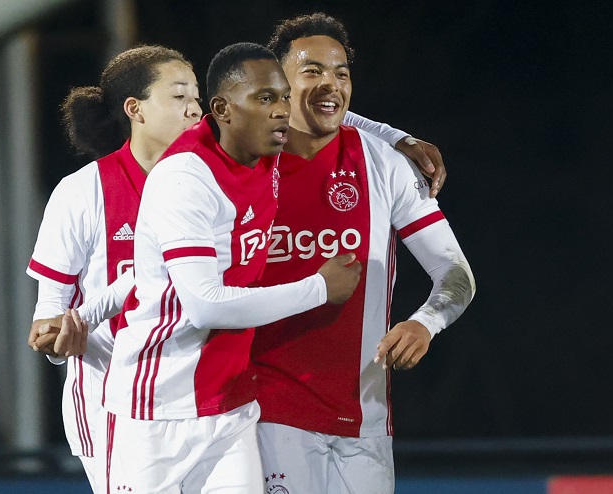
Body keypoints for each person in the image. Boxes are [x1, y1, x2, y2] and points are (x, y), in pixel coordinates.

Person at [99, 42, 363, 493]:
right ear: (222, 109)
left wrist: (401, 138)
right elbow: (206, 306)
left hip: (231, 404)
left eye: (284, 97)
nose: (282, 110)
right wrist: (319, 289)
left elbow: (326, 112)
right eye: (266, 99)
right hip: (159, 408)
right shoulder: (186, 177)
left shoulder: (266, 151)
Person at [250, 13, 476, 494]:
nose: (330, 83)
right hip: (268, 409)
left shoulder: (385, 164)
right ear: (278, 82)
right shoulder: (240, 161)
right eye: (312, 70)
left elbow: (456, 273)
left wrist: (424, 323)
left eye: (341, 73)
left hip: (365, 418)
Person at [24, 44, 202, 493]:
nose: (195, 110)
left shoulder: (219, 184)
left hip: (206, 401)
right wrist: (58, 342)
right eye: (179, 96)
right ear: (134, 109)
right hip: (111, 406)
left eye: (196, 97)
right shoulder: (82, 192)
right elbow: (47, 320)